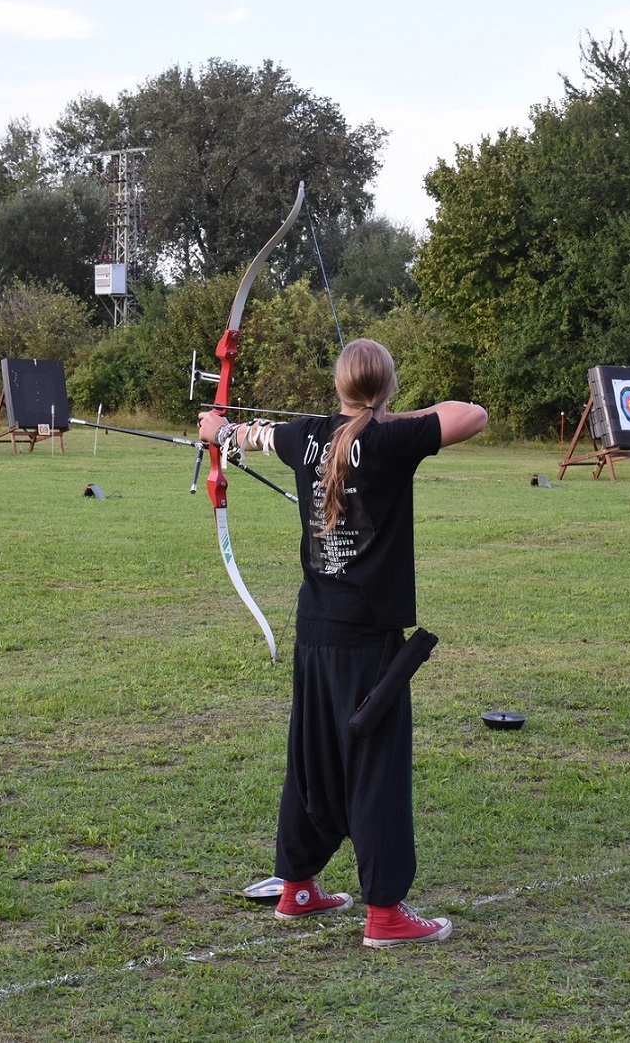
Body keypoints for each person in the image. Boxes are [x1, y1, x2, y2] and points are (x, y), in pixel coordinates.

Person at [198, 338, 487, 948]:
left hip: (315, 630)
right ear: (387, 386)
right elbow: (472, 414)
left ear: (337, 385)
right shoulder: (389, 441)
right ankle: (385, 914)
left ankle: (297, 885)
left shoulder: (305, 435)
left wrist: (218, 430)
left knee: (314, 757)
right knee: (375, 769)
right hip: (367, 637)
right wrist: (390, 418)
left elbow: (250, 436)